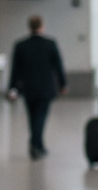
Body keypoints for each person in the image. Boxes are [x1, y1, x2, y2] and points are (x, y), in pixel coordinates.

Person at [8, 15, 66, 160]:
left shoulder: (20, 45)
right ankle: (35, 145)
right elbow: (58, 66)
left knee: (32, 117)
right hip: (46, 88)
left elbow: (15, 70)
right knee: (40, 117)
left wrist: (12, 88)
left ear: (29, 27)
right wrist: (63, 84)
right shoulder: (50, 44)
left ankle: (38, 145)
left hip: (28, 88)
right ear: (42, 26)